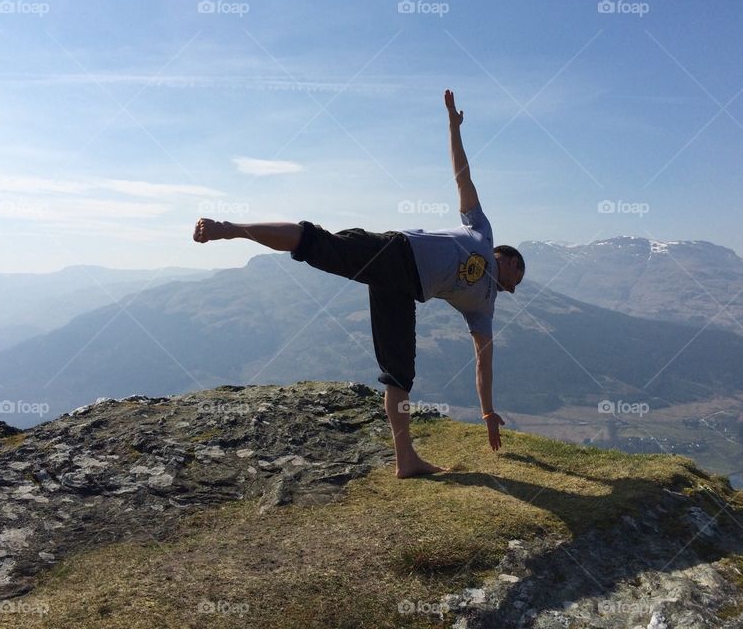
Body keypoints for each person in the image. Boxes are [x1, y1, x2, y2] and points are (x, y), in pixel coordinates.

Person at [193, 89, 525, 478]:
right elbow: (462, 176)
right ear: (508, 259)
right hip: (396, 251)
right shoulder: (480, 231)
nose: (512, 288)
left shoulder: (483, 307)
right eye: (516, 277)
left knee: (399, 374)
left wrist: (486, 410)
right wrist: (453, 127)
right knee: (318, 242)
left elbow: (484, 362)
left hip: (404, 291)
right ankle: (232, 229)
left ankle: (406, 460)